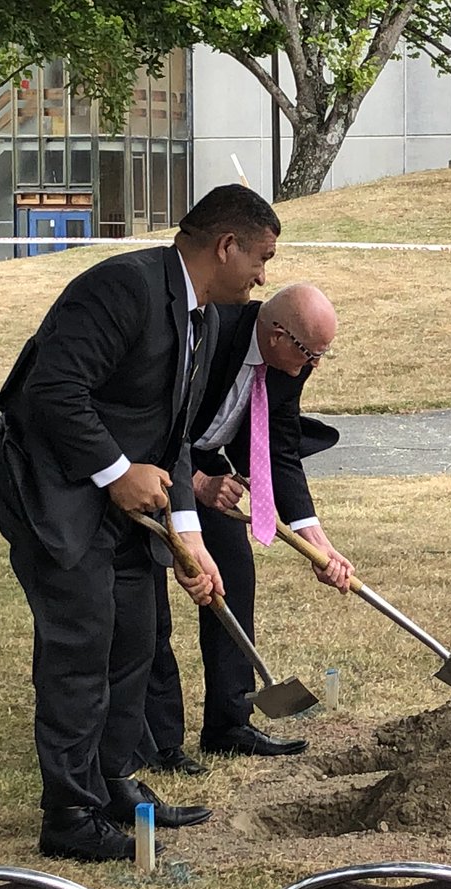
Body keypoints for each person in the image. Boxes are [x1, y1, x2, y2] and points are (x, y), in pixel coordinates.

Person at [0, 184, 281, 862]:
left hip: (112, 492)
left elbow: (169, 436)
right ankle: (69, 816)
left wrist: (190, 543)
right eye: (260, 257)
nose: (264, 275)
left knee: (134, 635)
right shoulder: (124, 288)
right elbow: (54, 390)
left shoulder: (201, 316)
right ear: (225, 246)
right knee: (81, 642)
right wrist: (117, 472)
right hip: (43, 483)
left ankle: (113, 782)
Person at [143, 284, 354, 773]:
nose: (315, 365)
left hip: (206, 466)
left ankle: (228, 724)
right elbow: (157, 420)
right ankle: (158, 743)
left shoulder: (288, 363)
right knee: (148, 607)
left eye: (323, 354)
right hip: (148, 467)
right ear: (278, 334)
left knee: (233, 579)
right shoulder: (210, 332)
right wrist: (195, 483)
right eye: (311, 353)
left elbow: (278, 449)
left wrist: (316, 543)